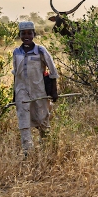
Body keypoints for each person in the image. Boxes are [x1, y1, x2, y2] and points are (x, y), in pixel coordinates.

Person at [11, 21, 58, 155]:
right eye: (23, 33)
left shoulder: (41, 51)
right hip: (21, 91)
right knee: (23, 120)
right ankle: (27, 151)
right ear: (19, 35)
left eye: (29, 33)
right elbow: (16, 74)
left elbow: (53, 71)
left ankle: (46, 148)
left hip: (39, 90)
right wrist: (15, 95)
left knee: (43, 118)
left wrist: (54, 91)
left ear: (34, 34)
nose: (26, 36)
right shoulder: (16, 52)